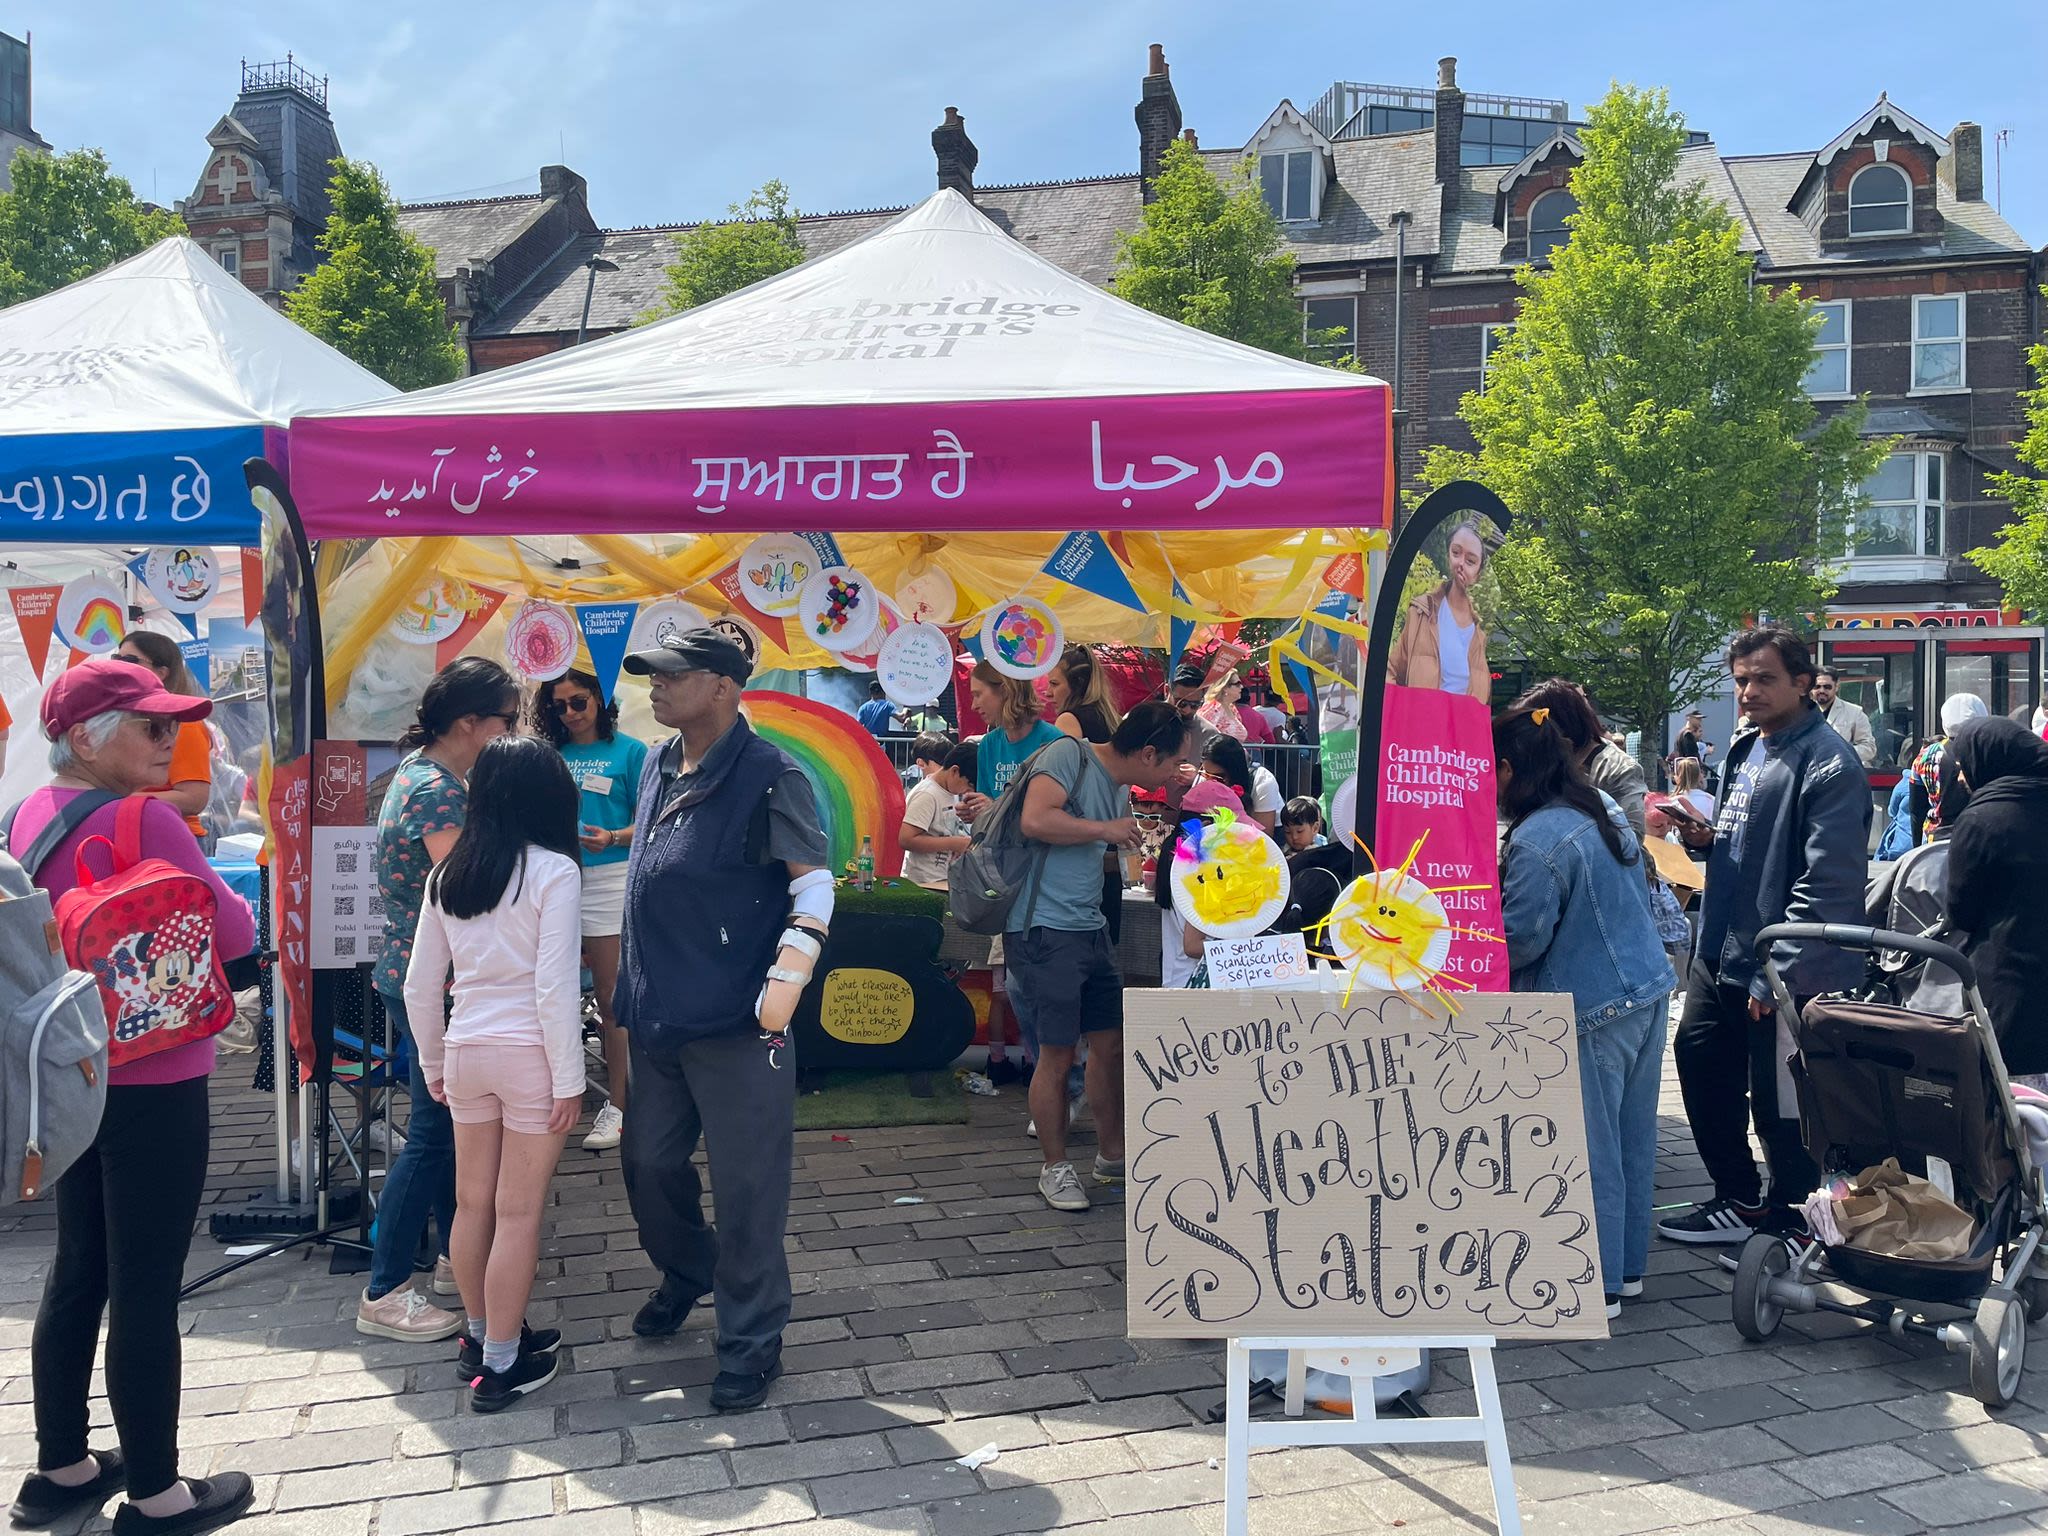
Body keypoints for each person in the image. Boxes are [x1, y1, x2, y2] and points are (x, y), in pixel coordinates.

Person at [11, 657, 257, 1535]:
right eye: (150, 726)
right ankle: (157, 1493)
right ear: (85, 737)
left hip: (68, 1082)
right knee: (147, 1285)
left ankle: (62, 1468)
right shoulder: (145, 818)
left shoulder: (27, 816)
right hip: (155, 1077)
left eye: (172, 725)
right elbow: (232, 932)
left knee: (78, 1267)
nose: (170, 740)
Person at [613, 630, 830, 1413]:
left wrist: (789, 975)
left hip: (740, 1023)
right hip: (657, 1010)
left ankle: (750, 1339)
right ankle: (687, 1269)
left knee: (748, 1191)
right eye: (653, 675)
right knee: (646, 1166)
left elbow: (813, 885)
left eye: (673, 676)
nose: (657, 687)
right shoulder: (655, 761)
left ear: (723, 686)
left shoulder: (774, 774)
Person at [1658, 627, 1870, 1246]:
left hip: (1778, 967)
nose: (1747, 692)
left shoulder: (1829, 761)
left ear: (1804, 683)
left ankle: (1791, 1221)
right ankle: (1738, 1198)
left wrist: (1778, 970)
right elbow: (1744, 837)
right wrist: (1704, 838)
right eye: (1742, 679)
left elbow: (1827, 880)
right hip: (1719, 950)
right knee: (1699, 1062)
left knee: (1780, 1103)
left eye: (1764, 679)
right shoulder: (1748, 746)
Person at [404, 736, 580, 1412]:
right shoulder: (554, 872)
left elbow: (423, 987)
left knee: (473, 1203)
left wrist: (432, 1062)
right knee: (518, 1212)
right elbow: (555, 988)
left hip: (466, 1049)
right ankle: (503, 1363)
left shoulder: (447, 874)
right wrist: (570, 1079)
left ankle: (479, 1339)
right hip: (530, 1054)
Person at [357, 658, 522, 1344]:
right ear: (469, 724)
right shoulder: (434, 792)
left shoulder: (425, 779)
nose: (511, 734)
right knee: (430, 1135)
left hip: (424, 975)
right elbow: (468, 890)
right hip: (432, 980)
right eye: (505, 723)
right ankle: (386, 1288)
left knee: (457, 1125)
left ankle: (460, 1255)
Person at [1495, 704, 1673, 1317]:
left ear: (1513, 769)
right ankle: (1624, 1271)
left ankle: (1593, 1285)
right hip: (1646, 991)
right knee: (1631, 1139)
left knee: (1589, 1148)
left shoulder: (1538, 837)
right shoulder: (1604, 809)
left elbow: (1523, 937)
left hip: (1591, 1004)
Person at [1007, 702, 1193, 1212]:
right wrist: (1105, 832)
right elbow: (1036, 819)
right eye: (1174, 762)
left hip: (1089, 926)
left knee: (1109, 1045)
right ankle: (1055, 1167)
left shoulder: (1116, 783)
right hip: (1043, 927)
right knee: (1057, 1052)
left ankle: (1114, 1156)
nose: (1176, 773)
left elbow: (1089, 847)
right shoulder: (1069, 755)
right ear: (1149, 753)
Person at [531, 668, 648, 1153]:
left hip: (609, 880)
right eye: (558, 707)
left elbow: (654, 819)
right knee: (545, 990)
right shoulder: (549, 755)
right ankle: (549, 1096)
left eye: (577, 702)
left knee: (610, 995)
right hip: (551, 877)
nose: (570, 714)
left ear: (600, 700)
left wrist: (614, 837)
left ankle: (618, 1105)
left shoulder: (632, 751)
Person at [1943, 718, 2048, 1083]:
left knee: (2011, 1115)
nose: (1959, 777)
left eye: (1962, 765)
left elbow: (1961, 912)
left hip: (2009, 993)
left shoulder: (1983, 819)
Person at [1514, 679, 1647, 841]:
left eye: (1533, 727)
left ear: (1560, 724)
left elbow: (1632, 836)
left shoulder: (1619, 769)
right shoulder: (1541, 763)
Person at [114, 631, 214, 840]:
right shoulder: (121, 719)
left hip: (174, 836)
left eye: (131, 660)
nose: (121, 666)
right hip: (133, 831)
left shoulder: (185, 723)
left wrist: (122, 801)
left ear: (162, 672)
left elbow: (194, 798)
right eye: (117, 658)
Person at [1155, 777, 1244, 989]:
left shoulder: (1177, 857)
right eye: (1232, 828)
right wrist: (1245, 949)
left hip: (1178, 979)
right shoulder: (1200, 871)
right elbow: (1193, 946)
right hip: (1196, 984)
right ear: (1207, 826)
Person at [1387, 518, 1490, 700]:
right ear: (1447, 555)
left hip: (1462, 727)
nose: (1461, 563)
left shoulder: (1479, 635)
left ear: (1478, 575)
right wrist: (1401, 714)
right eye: (1456, 552)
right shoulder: (1422, 612)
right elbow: (1391, 670)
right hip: (1424, 724)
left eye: (1471, 561)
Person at [1909, 693, 1989, 844]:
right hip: (1978, 837)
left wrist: (1916, 847)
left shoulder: (1925, 755)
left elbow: (1916, 810)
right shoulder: (1988, 752)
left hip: (1935, 838)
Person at [899, 732, 969, 892]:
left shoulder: (948, 791)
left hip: (940, 878)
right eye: (941, 764)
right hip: (922, 883)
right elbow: (906, 839)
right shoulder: (927, 794)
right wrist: (954, 843)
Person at [1201, 734, 1281, 832]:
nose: (1210, 782)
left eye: (1218, 777)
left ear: (1235, 771)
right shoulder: (1203, 779)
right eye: (1206, 774)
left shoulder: (1262, 781)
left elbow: (1265, 835)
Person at [1044, 644, 1121, 745]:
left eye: (1054, 684)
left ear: (1077, 684)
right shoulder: (1108, 717)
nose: (1048, 693)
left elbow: (1064, 760)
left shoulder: (1069, 719)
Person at [1810, 670, 1877, 770]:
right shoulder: (1801, 713)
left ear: (1836, 687)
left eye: (1827, 687)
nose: (1822, 691)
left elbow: (1869, 749)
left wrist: (1841, 753)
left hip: (1842, 773)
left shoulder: (1855, 712)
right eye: (1817, 687)